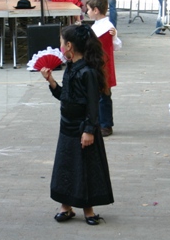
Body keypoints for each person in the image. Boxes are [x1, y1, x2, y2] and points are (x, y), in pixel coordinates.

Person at [39, 24, 114, 226]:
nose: (60, 46)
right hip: (67, 127)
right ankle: (66, 206)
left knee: (85, 167)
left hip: (83, 127)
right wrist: (51, 82)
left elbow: (92, 104)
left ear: (69, 45)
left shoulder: (87, 72)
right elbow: (65, 96)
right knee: (67, 165)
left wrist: (89, 130)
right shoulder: (71, 68)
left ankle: (88, 208)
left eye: (62, 43)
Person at [87, 0, 122, 137]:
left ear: (95, 10)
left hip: (101, 65)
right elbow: (117, 45)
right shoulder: (104, 26)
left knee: (103, 96)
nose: (87, 12)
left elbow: (116, 45)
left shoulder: (104, 28)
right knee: (102, 95)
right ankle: (102, 123)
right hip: (103, 65)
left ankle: (105, 125)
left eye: (88, 9)